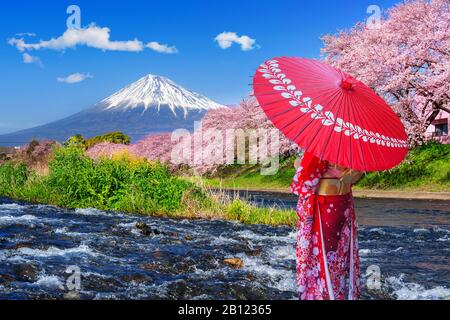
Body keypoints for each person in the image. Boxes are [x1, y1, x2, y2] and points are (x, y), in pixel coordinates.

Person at [291, 152, 363, 300]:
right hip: (344, 203)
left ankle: (323, 293)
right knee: (340, 252)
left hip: (325, 204)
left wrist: (299, 162)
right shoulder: (351, 149)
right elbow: (355, 175)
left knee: (323, 252)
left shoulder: (321, 147)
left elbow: (305, 176)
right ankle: (339, 292)